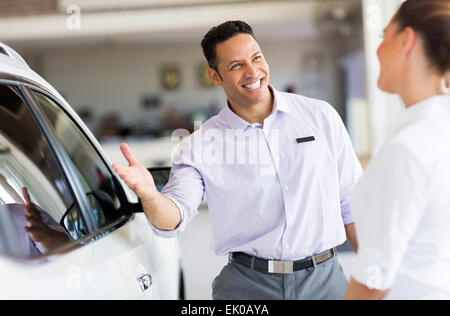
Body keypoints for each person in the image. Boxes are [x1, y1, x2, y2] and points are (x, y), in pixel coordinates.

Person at [112, 20, 362, 300]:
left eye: (256, 58)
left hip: (325, 282)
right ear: (215, 77)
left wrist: (376, 275)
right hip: (248, 287)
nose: (252, 71)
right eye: (236, 66)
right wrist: (150, 196)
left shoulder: (320, 117)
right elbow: (173, 218)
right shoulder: (199, 146)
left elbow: (351, 204)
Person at [344, 0, 450, 300]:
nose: (378, 49)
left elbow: (374, 278)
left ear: (406, 41)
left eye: (384, 36)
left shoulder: (410, 147)